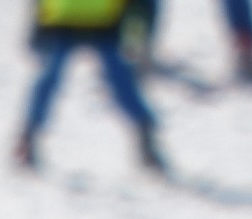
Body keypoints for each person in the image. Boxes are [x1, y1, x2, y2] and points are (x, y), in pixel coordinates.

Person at [16, 0, 167, 177]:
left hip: (102, 23)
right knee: (49, 79)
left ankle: (146, 136)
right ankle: (28, 137)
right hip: (64, 22)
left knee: (120, 82)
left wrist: (141, 30)